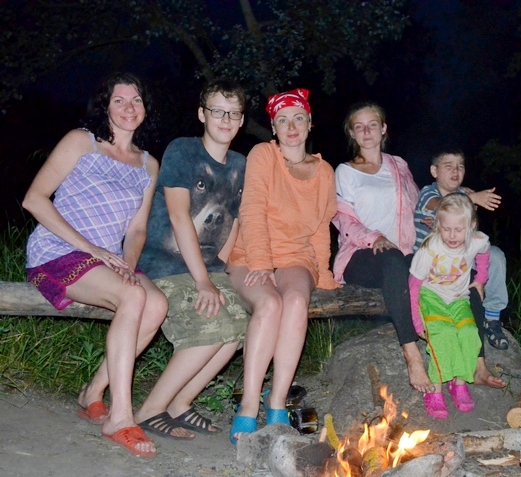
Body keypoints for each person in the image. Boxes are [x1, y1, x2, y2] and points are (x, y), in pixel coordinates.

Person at [22, 72, 167, 458]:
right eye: (119, 100)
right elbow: (34, 199)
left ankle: (93, 391)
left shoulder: (148, 165)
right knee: (134, 298)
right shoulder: (81, 142)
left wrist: (128, 264)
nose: (129, 107)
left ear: (145, 108)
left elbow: (137, 230)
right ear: (106, 106)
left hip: (109, 260)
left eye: (136, 100)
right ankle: (120, 417)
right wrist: (91, 248)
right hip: (59, 251)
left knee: (157, 304)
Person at [332, 102, 504, 395]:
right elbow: (343, 219)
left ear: (383, 129)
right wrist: (375, 238)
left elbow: (419, 201)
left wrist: (441, 212)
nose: (366, 131)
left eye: (372, 124)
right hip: (361, 255)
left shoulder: (398, 165)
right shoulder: (346, 171)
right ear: (352, 133)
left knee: (463, 272)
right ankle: (412, 356)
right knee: (394, 261)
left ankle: (478, 363)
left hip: (403, 253)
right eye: (359, 126)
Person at [133, 78, 249, 440]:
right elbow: (179, 215)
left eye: (233, 113)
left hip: (208, 267)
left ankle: (180, 403)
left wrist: (220, 272)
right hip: (167, 264)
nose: (225, 119)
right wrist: (202, 281)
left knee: (240, 328)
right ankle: (150, 409)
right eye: (218, 111)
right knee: (213, 328)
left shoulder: (241, 164)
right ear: (202, 114)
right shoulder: (183, 151)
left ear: (242, 120)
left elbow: (235, 221)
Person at [226, 88, 339, 443]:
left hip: (295, 257)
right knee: (270, 304)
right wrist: (261, 262)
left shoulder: (324, 172)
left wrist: (324, 273)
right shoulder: (263, 155)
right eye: (283, 120)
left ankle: (276, 402)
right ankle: (248, 405)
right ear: (274, 127)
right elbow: (252, 210)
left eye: (298, 118)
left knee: (295, 301)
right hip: (251, 253)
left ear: (310, 123)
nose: (292, 127)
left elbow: (320, 228)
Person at [413, 149, 510, 350]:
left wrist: (468, 200)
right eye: (448, 166)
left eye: (460, 166)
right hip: (433, 266)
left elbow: (470, 233)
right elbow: (440, 204)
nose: (455, 171)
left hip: (460, 259)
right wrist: (471, 198)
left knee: (496, 256)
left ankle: (492, 318)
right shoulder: (428, 193)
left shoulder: (465, 194)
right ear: (434, 171)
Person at [409, 194, 491, 418]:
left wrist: (480, 279)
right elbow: (414, 286)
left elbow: (485, 253)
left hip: (458, 297)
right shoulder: (429, 249)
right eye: (446, 229)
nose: (452, 236)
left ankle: (459, 383)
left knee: (469, 333)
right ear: (438, 225)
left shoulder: (477, 240)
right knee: (443, 333)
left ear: (471, 226)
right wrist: (417, 321)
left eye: (458, 229)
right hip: (431, 296)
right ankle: (435, 390)